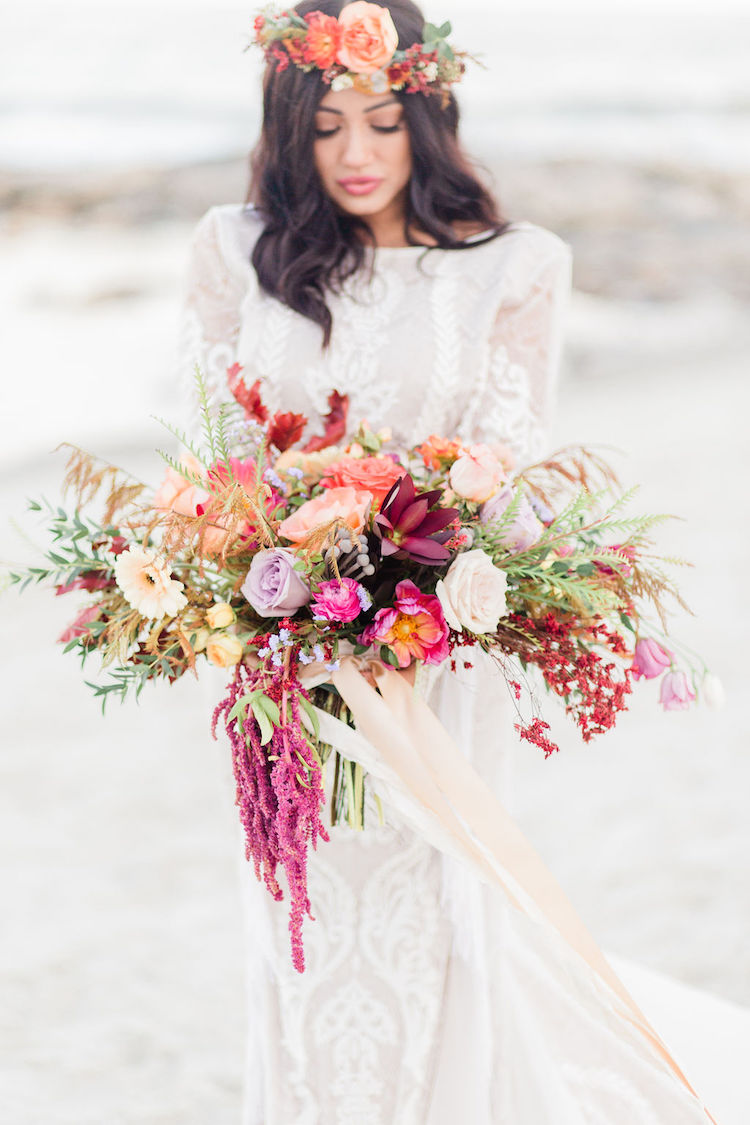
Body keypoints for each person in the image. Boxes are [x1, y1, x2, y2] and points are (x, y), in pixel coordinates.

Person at [177, 2, 719, 1121]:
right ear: (289, 129)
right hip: (284, 660)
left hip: (430, 658)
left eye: (384, 121)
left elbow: (507, 477)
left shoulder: (511, 270)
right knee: (299, 918)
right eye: (327, 127)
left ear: (428, 116)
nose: (359, 154)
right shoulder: (233, 252)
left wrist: (407, 575)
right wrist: (251, 570)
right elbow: (209, 459)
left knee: (441, 911)